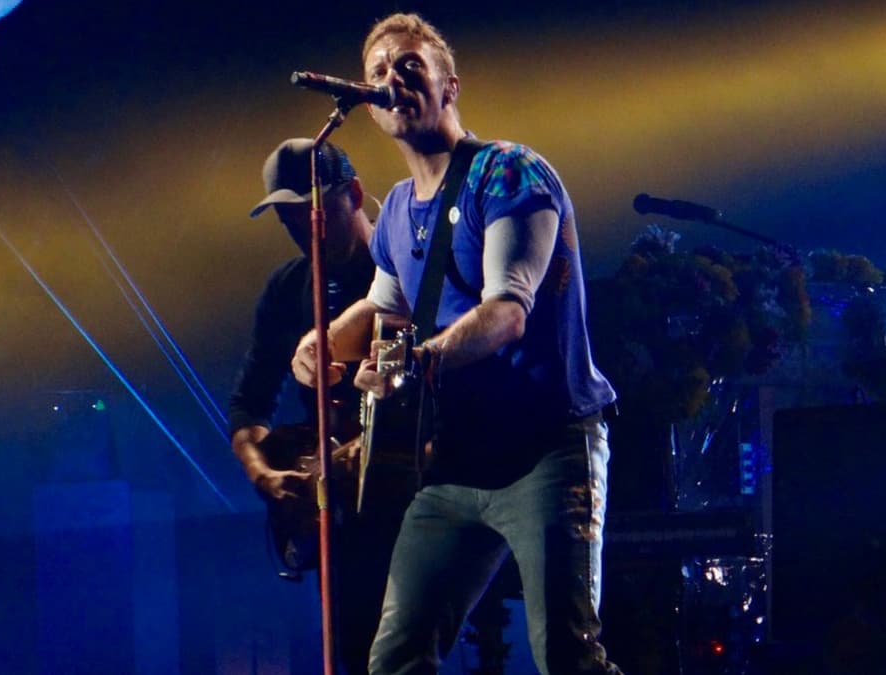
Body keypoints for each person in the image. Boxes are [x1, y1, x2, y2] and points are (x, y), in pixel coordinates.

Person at [290, 12, 622, 675]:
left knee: (568, 655)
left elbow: (508, 310)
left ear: (450, 85)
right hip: (457, 466)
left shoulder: (508, 174)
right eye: (379, 71)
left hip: (548, 449)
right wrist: (321, 342)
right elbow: (387, 302)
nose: (392, 80)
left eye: (410, 66)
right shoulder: (398, 212)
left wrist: (415, 365)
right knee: (396, 658)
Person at [229, 138, 408, 675]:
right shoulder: (287, 289)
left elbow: (420, 384)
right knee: (350, 652)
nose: (299, 230)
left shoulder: (403, 272)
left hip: (408, 500)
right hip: (339, 510)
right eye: (286, 219)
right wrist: (265, 475)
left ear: (353, 194)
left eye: (309, 213)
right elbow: (249, 401)